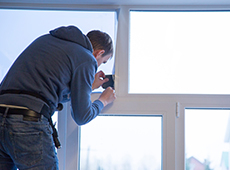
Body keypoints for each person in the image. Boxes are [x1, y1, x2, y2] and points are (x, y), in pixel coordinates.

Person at [0, 25, 116, 170]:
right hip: (28, 123)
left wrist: (87, 87)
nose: (98, 66)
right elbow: (82, 116)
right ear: (99, 53)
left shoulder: (46, 40)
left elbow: (41, 91)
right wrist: (103, 100)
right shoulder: (87, 58)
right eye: (103, 62)